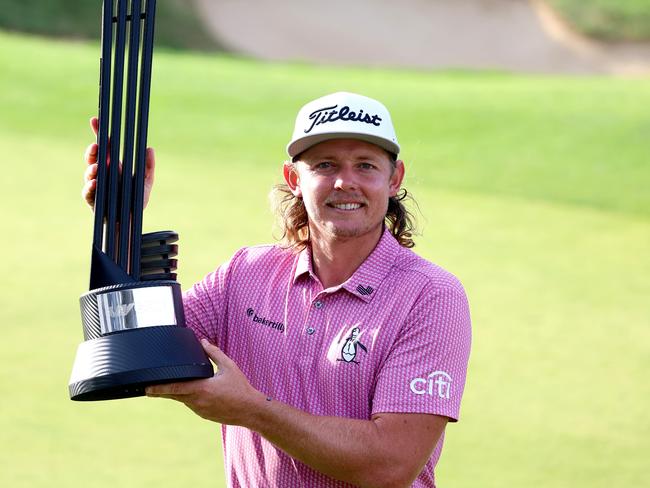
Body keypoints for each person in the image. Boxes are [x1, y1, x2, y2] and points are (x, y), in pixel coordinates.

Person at [82, 92, 472, 487]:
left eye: (365, 166)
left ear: (394, 179)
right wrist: (120, 226)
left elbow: (390, 465)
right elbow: (133, 347)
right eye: (325, 165)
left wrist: (254, 410)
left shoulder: (431, 295)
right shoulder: (246, 272)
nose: (345, 181)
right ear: (294, 180)